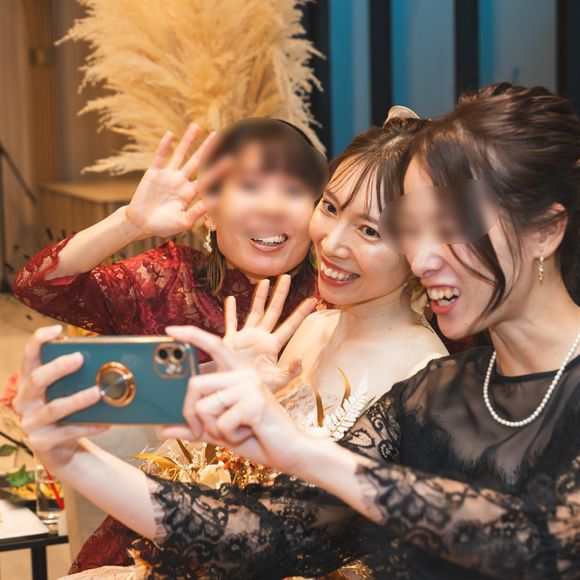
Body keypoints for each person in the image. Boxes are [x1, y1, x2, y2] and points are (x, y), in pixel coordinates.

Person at [17, 83, 580, 579]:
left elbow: (542, 542)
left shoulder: (427, 371)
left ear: (546, 231)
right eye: (415, 231)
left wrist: (302, 453)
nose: (424, 257)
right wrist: (70, 456)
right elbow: (263, 537)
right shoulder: (435, 390)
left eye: (451, 228)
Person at [12, 118, 327, 352]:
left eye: (292, 190)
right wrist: (129, 224)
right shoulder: (165, 281)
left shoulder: (333, 298)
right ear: (210, 214)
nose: (272, 208)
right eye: (250, 187)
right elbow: (36, 287)